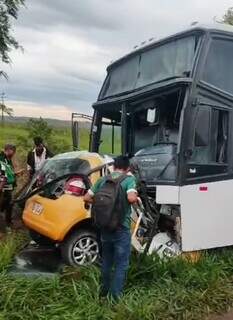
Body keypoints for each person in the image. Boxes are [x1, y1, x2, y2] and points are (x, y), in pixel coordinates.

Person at [84, 156, 138, 300]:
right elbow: (131, 198)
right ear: (128, 168)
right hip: (121, 228)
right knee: (121, 264)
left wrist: (104, 206)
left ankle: (103, 292)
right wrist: (136, 197)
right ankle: (115, 298)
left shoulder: (103, 180)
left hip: (104, 226)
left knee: (107, 260)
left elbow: (86, 198)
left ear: (114, 167)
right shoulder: (129, 179)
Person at [0, 144, 22, 230]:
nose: (13, 154)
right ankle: (6, 225)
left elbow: (8, 173)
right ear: (8, 150)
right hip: (3, 187)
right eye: (13, 151)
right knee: (6, 204)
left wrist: (15, 173)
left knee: (9, 204)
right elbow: (3, 174)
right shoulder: (1, 158)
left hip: (8, 187)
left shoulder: (8, 160)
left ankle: (8, 222)